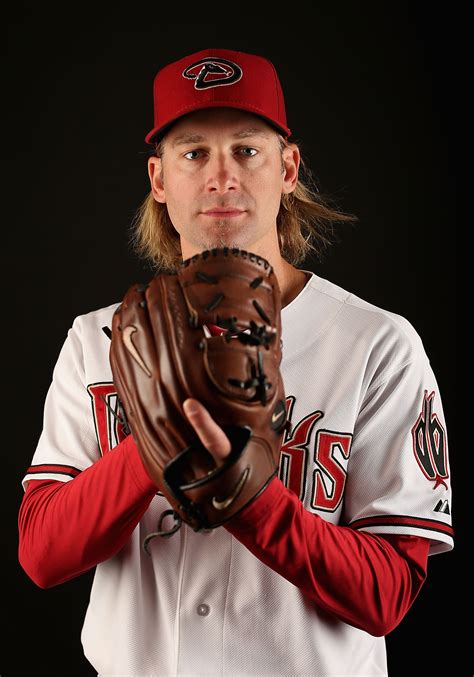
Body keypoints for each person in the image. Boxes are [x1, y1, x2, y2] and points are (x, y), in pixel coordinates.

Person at [18, 47, 454, 676]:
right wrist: (154, 446)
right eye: (194, 153)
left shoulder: (376, 342)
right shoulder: (100, 338)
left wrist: (246, 495)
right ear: (160, 179)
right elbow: (41, 554)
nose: (222, 176)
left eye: (247, 150)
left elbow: (386, 595)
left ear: (288, 168)